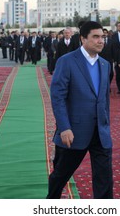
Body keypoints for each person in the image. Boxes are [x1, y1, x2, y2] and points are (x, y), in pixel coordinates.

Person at [47, 21, 113, 199]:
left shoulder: (106, 65)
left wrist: (105, 123)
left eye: (103, 37)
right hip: (74, 132)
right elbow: (58, 97)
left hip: (100, 132)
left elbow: (104, 98)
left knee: (104, 179)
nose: (101, 41)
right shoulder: (67, 61)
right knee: (60, 175)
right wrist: (64, 127)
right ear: (83, 39)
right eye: (96, 37)